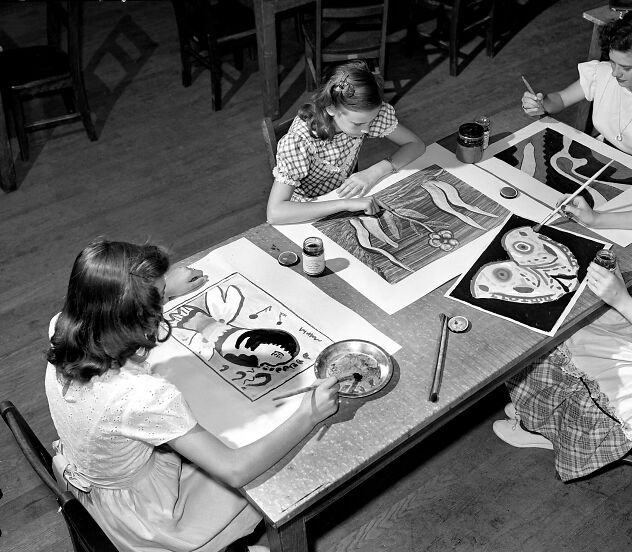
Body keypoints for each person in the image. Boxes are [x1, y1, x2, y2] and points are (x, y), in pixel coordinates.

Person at [45, 240, 339, 552]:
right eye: (157, 298)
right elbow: (234, 469)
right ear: (140, 316)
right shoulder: (141, 396)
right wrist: (309, 412)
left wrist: (163, 288)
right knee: (277, 472)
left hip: (94, 485)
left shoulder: (61, 326)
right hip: (145, 518)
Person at [492, 127, 632, 482]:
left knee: (578, 357)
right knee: (561, 331)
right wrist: (596, 219)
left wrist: (622, 302)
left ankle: (546, 431)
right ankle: (539, 414)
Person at [267, 59, 426, 224]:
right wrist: (345, 204)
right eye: (358, 123)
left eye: (371, 121)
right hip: (304, 213)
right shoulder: (300, 141)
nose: (366, 129)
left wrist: (374, 171)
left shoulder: (365, 116)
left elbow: (416, 145)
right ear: (331, 108)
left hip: (343, 198)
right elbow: (275, 213)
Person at [521, 10, 632, 160]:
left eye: (626, 67)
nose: (615, 73)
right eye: (612, 62)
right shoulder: (602, 74)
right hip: (598, 154)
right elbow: (560, 99)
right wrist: (541, 105)